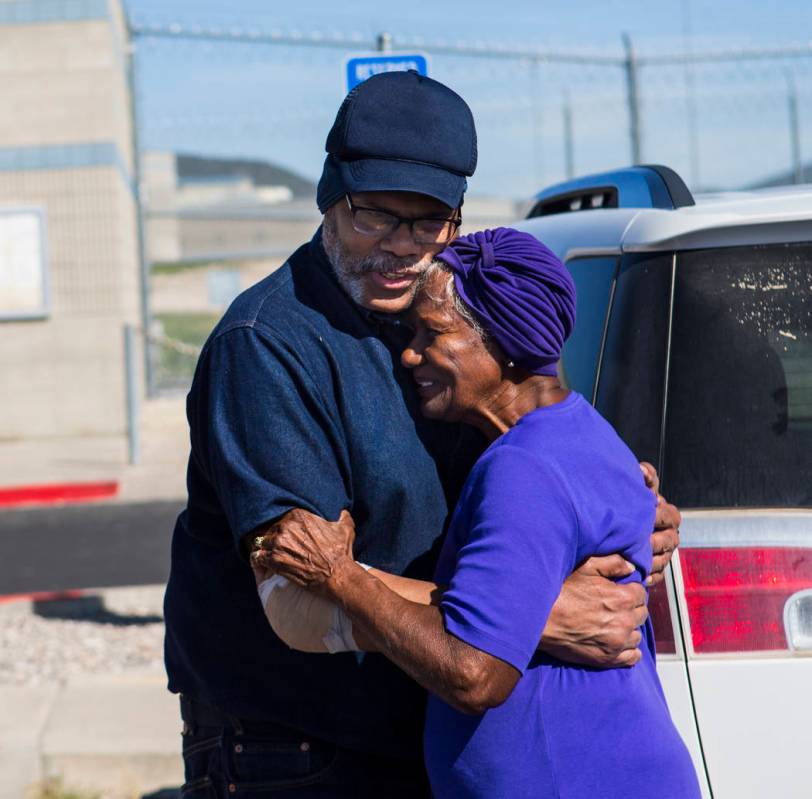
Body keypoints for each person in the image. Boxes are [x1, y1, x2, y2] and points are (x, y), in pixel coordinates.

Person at [163, 70, 681, 797]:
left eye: (429, 221)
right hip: (297, 751)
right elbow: (296, 601)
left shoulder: (452, 325)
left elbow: (535, 476)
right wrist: (527, 616)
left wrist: (622, 508)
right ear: (329, 197)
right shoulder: (267, 343)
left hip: (421, 725)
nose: (403, 247)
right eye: (376, 215)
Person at [255, 228, 701, 798]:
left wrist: (340, 578)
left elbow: (474, 673)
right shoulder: (582, 430)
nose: (410, 354)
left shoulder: (524, 468)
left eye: (433, 333)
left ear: (505, 342)